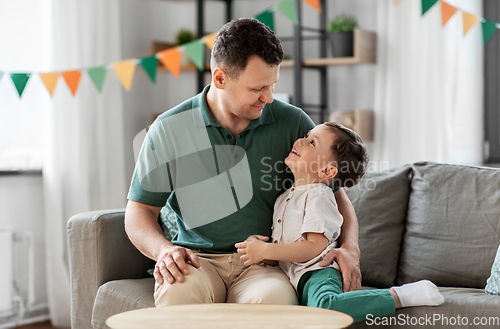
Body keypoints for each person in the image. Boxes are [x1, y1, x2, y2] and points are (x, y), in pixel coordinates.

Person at [125, 17, 362, 307]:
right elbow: (139, 211)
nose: (269, 98)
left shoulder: (294, 123)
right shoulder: (169, 128)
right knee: (178, 297)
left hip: (264, 265)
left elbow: (334, 195)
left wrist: (351, 248)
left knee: (276, 302)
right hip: (197, 261)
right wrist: (163, 250)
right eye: (258, 88)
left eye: (273, 84)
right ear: (220, 79)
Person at [235, 122, 444, 322]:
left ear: (327, 171)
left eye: (312, 142)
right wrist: (259, 249)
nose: (300, 140)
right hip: (298, 279)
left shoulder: (319, 195)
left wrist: (265, 251)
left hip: (318, 272)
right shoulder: (284, 198)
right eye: (307, 137)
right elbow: (284, 248)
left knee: (326, 308)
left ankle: (400, 296)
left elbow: (315, 246)